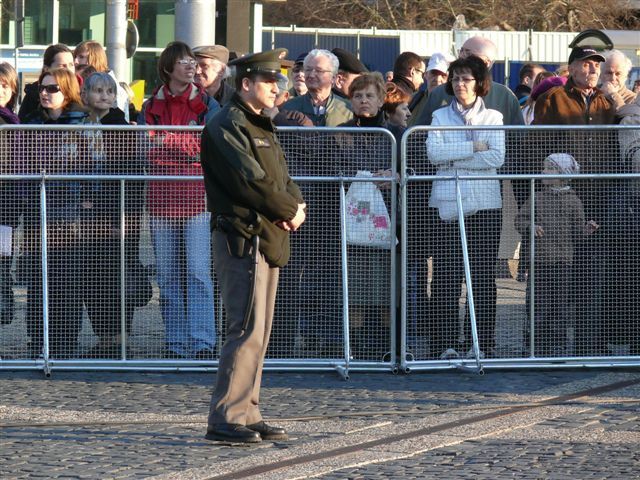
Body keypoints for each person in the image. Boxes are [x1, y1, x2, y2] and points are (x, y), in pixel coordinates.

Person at [201, 48, 306, 443]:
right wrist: (289, 210)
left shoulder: (260, 123)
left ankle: (247, 410)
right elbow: (252, 182)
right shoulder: (227, 123)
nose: (276, 87)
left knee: (260, 330)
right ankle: (226, 416)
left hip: (268, 233)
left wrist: (294, 206)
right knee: (244, 327)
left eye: (277, 81)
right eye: (268, 81)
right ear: (246, 84)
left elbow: (281, 176)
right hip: (242, 236)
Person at [138, 41, 220, 359]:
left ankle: (202, 341)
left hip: (197, 199)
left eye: (193, 62)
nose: (192, 67)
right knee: (168, 274)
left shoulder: (207, 104)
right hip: (161, 199)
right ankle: (174, 340)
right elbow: (148, 150)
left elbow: (206, 149)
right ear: (168, 67)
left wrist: (169, 141)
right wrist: (183, 141)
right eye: (184, 61)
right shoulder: (151, 105)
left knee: (198, 272)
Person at [533, 45, 616, 356]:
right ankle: (545, 342)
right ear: (571, 68)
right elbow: (533, 149)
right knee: (552, 273)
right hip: (557, 200)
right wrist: (537, 199)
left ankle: (588, 343)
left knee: (592, 271)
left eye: (597, 64)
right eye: (586, 63)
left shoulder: (606, 102)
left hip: (595, 198)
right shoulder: (553, 99)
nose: (593, 69)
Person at [426, 55, 505, 359]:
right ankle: (444, 343)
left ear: (479, 83)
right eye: (456, 78)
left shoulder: (494, 117)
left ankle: (481, 342)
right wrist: (473, 146)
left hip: (485, 206)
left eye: (467, 78)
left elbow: (495, 158)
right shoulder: (439, 116)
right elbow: (433, 153)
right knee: (446, 276)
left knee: (482, 277)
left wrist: (453, 155)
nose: (460, 84)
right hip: (448, 204)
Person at [22, 68, 88, 358]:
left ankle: (65, 342)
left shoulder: (83, 124)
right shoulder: (32, 123)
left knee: (69, 281)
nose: (45, 93)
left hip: (71, 215)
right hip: (40, 211)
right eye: (43, 88)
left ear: (67, 91)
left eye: (52, 89)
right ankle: (39, 341)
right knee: (38, 281)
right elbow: (23, 166)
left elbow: (91, 169)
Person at [80, 72, 146, 358]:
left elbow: (128, 174)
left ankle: (121, 336)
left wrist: (123, 215)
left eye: (109, 91)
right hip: (90, 215)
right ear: (86, 94)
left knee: (119, 274)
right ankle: (103, 336)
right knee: (94, 275)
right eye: (98, 91)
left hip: (117, 212)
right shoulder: (83, 124)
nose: (104, 96)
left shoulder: (119, 124)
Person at [339, 72, 403, 359]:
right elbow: (331, 170)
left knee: (389, 293)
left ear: (381, 99)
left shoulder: (398, 133)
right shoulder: (340, 133)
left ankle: (391, 348)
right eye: (358, 96)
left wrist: (395, 176)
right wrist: (360, 179)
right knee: (356, 294)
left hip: (390, 220)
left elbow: (412, 170)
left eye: (369, 96)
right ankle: (354, 348)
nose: (364, 100)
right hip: (354, 225)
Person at [515, 154, 597, 356]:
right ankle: (534, 343)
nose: (543, 172)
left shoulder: (574, 201)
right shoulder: (536, 197)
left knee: (559, 304)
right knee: (537, 304)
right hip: (538, 261)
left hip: (562, 262)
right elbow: (519, 220)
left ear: (562, 174)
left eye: (549, 168)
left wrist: (587, 229)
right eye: (544, 167)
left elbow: (578, 234)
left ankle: (557, 342)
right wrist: (530, 226)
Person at [410, 36, 523, 127]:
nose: (461, 56)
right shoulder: (439, 93)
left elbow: (518, 141)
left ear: (486, 62)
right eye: (461, 51)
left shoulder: (505, 97)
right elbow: (419, 135)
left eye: (468, 53)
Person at [282, 49, 352, 126]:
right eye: (308, 70)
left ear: (333, 77)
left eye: (319, 71)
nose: (311, 75)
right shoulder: (289, 107)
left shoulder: (348, 110)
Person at [0, 63, 19, 326]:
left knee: (3, 264)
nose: (1, 89)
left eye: (5, 85)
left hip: (7, 210)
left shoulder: (13, 119)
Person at [73, 40, 130, 120]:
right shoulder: (85, 81)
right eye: (75, 57)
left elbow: (118, 121)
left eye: (81, 57)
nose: (75, 61)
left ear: (95, 59)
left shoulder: (113, 86)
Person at [18, 43, 76, 122]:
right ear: (47, 69)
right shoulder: (32, 96)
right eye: (62, 66)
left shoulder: (82, 93)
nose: (69, 70)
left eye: (71, 65)